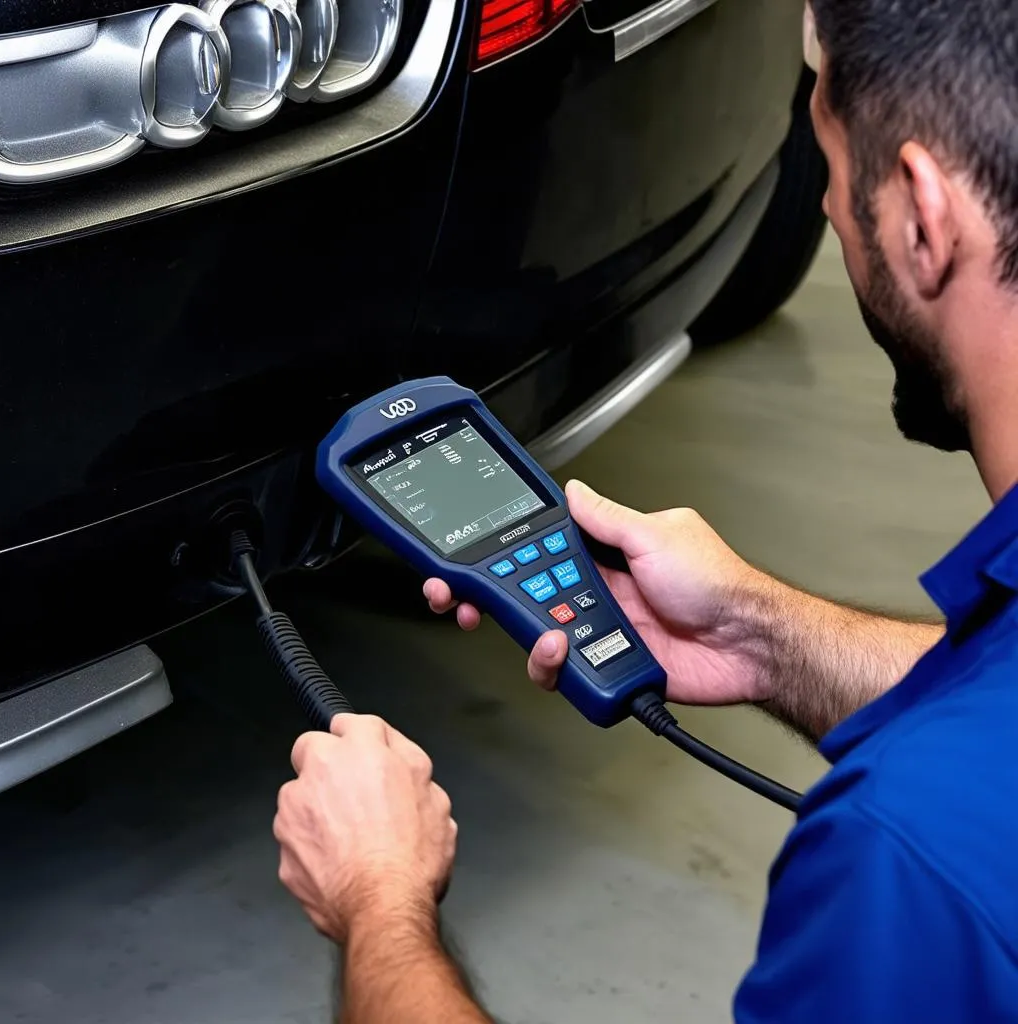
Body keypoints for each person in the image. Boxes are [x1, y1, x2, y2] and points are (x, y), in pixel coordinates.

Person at [272, 0, 1018, 1019]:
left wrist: (378, 899)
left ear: (923, 222)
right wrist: (764, 635)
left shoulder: (905, 869)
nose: (832, 211)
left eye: (833, 162)